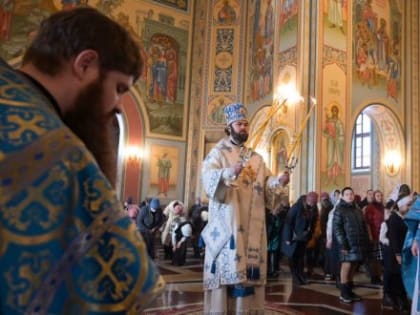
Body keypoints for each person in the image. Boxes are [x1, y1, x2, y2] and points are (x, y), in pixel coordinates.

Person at [0, 8, 164, 314]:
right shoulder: (58, 154)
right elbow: (127, 280)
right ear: (85, 64)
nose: (117, 106)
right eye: (118, 89)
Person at [201, 102, 290, 314]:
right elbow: (208, 179)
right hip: (228, 226)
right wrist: (228, 172)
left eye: (246, 125)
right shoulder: (218, 153)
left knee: (248, 275)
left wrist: (279, 181)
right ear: (229, 126)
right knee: (227, 271)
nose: (244, 128)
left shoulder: (256, 158)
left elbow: (267, 185)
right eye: (239, 124)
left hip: (251, 227)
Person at [333, 187, 369, 304]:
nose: (350, 196)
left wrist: (365, 241)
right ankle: (344, 293)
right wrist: (343, 244)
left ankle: (349, 290)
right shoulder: (339, 210)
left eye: (351, 194)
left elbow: (363, 226)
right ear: (342, 196)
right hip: (346, 244)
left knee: (353, 267)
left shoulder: (357, 209)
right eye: (347, 194)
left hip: (357, 243)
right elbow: (337, 228)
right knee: (346, 266)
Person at [282, 192, 319, 285]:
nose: (312, 204)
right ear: (307, 199)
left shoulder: (314, 208)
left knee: (301, 258)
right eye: (311, 202)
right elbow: (288, 222)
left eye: (314, 202)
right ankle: (295, 277)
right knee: (293, 257)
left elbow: (314, 222)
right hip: (293, 237)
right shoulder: (297, 207)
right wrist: (287, 238)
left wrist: (310, 235)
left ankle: (301, 276)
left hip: (304, 237)